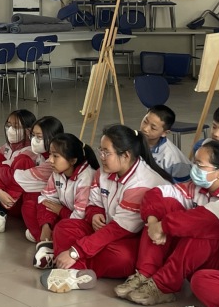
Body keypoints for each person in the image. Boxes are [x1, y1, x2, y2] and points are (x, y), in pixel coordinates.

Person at [40, 124, 172, 293]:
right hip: (106, 230)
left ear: (125, 155)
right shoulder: (104, 171)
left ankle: (70, 267)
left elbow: (118, 230)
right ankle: (75, 273)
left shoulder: (142, 183)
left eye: (106, 152)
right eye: (100, 151)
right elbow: (93, 203)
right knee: (64, 227)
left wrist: (76, 251)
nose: (101, 157)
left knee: (123, 258)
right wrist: (95, 214)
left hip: (129, 238)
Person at [113, 141, 219, 306]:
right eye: (194, 163)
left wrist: (162, 226)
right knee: (166, 206)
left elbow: (203, 218)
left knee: (201, 230)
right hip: (196, 262)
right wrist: (153, 221)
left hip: (214, 264)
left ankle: (163, 286)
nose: (194, 168)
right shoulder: (197, 188)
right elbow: (156, 193)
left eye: (200, 165)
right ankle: (146, 273)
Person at [0, 116, 64, 234]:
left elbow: (17, 177)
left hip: (33, 204)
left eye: (39, 137)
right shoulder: (37, 154)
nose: (34, 140)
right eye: (33, 135)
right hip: (12, 198)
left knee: (21, 163)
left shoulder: (51, 163)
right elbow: (6, 169)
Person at [32, 133, 100, 270]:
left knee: (63, 228)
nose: (50, 160)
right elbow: (45, 198)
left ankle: (49, 246)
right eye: (50, 154)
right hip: (66, 215)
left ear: (73, 161)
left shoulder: (86, 177)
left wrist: (60, 211)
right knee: (30, 206)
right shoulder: (57, 171)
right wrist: (46, 225)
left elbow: (80, 216)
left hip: (80, 224)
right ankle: (48, 240)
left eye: (55, 156)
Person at [141, 105, 191, 182]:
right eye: (145, 121)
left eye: (153, 128)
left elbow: (183, 185)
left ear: (164, 133)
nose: (145, 129)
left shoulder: (173, 158)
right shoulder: (132, 140)